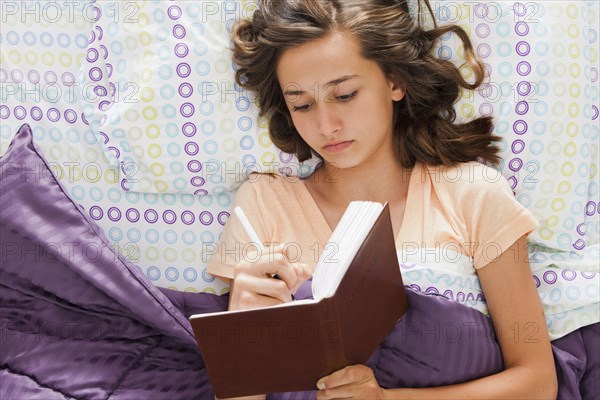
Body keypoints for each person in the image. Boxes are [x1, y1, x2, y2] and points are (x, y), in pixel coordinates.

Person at [207, 0, 557, 398]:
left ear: (394, 82)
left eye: (345, 95)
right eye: (302, 104)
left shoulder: (472, 194)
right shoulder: (263, 203)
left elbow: (537, 383)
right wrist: (244, 322)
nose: (326, 125)